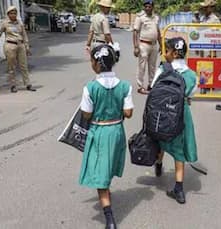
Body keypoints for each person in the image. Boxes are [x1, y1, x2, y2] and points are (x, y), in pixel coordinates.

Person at [79, 44, 133, 229]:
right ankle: (107, 193)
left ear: (95, 64)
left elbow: (86, 114)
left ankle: (109, 218)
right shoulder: (125, 86)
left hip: (99, 132)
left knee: (100, 172)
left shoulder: (90, 88)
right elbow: (128, 112)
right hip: (117, 130)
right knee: (108, 164)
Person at [152, 37, 198, 204]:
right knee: (179, 149)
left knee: (160, 138)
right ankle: (179, 189)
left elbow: (153, 87)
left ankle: (158, 162)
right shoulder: (192, 75)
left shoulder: (163, 69)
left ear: (173, 53)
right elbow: (191, 94)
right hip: (181, 113)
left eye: (167, 51)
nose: (165, 53)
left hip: (162, 112)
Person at [0, 6, 36, 93]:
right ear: (8, 14)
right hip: (10, 45)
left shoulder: (20, 23)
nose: (13, 15)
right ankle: (13, 85)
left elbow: (24, 35)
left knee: (24, 66)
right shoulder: (5, 23)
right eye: (11, 13)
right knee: (11, 67)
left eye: (15, 13)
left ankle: (28, 84)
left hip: (20, 45)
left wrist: (27, 47)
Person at [133, 0, 162, 94]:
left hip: (154, 45)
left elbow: (158, 32)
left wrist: (161, 45)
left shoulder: (156, 18)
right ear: (144, 7)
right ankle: (140, 86)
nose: (147, 8)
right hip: (143, 45)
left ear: (152, 7)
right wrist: (136, 47)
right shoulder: (140, 18)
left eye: (149, 6)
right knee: (142, 66)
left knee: (152, 67)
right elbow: (135, 32)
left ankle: (151, 85)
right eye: (146, 6)